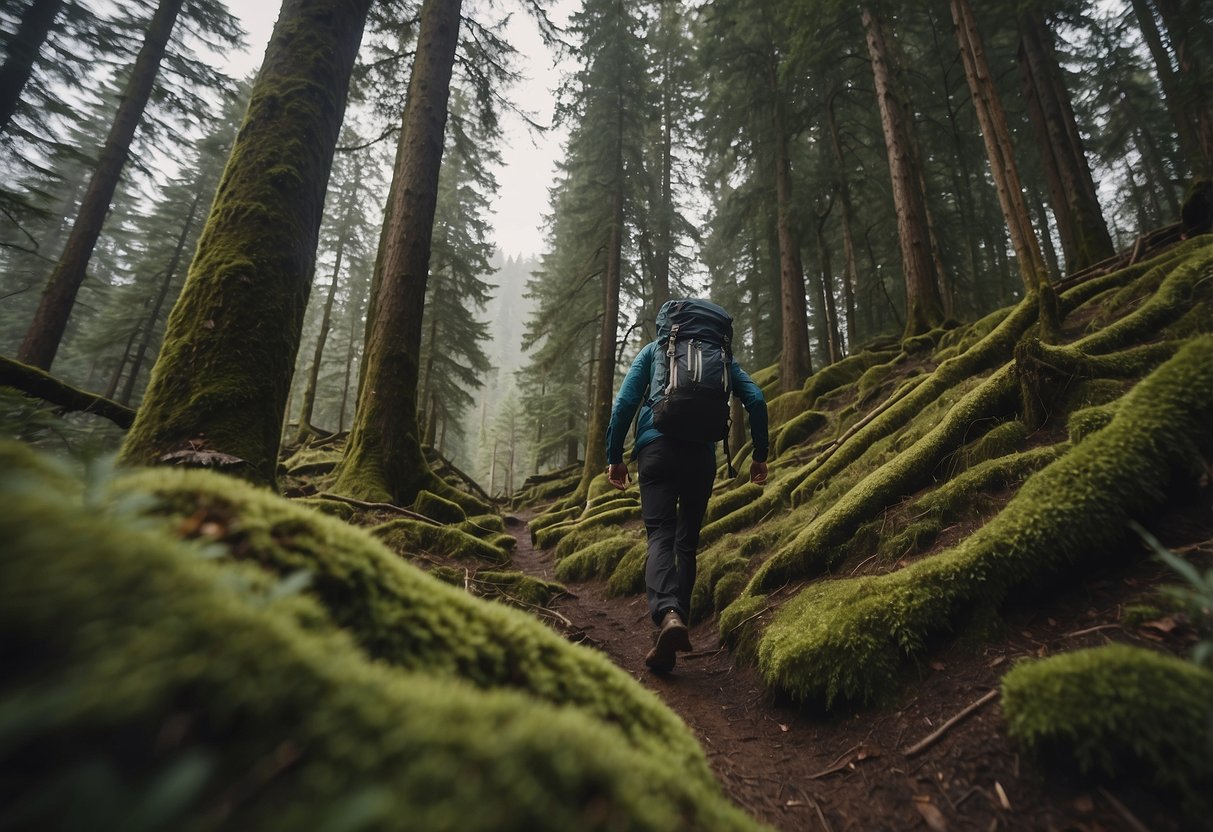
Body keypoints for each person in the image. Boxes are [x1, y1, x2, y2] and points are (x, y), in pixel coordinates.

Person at [605, 301, 769, 674]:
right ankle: (679, 622)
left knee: (660, 534)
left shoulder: (655, 351)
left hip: (656, 449)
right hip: (701, 456)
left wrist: (614, 456)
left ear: (669, 325)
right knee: (687, 543)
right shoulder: (721, 357)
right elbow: (756, 400)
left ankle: (668, 616)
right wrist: (759, 454)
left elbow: (625, 404)